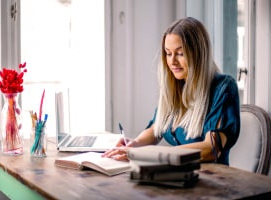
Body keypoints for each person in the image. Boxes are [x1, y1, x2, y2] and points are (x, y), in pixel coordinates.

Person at [103, 17, 240, 165]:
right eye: (168, 53)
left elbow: (210, 149)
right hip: (176, 175)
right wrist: (135, 144)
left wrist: (152, 154)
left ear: (199, 54)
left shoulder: (223, 88)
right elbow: (157, 127)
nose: (172, 62)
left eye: (180, 54)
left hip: (211, 179)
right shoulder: (175, 85)